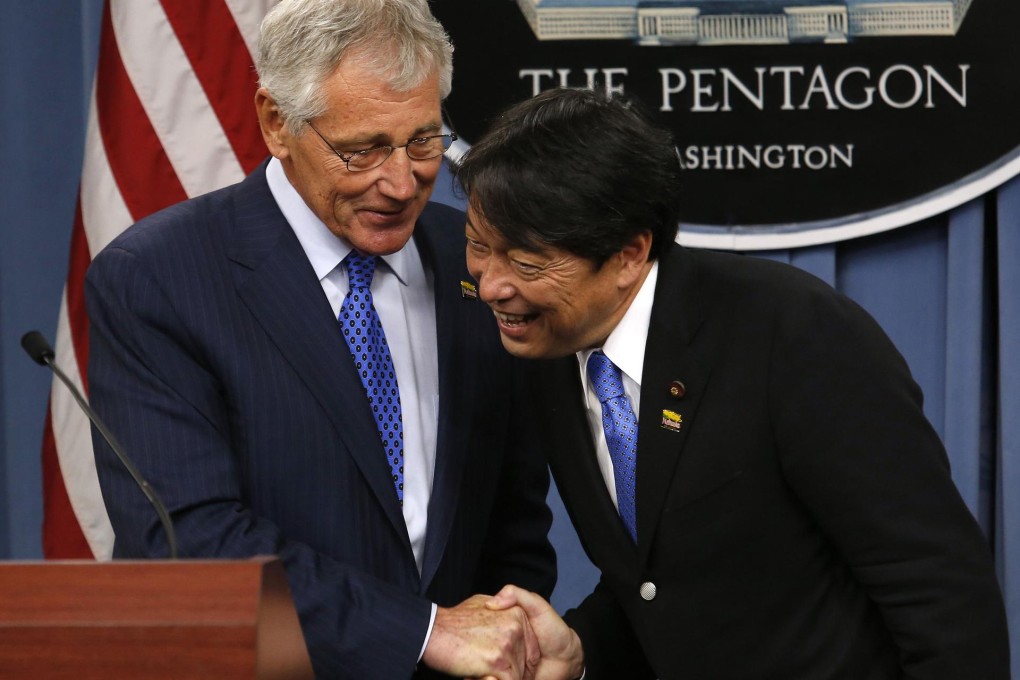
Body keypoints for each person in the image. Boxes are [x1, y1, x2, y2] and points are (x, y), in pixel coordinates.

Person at [454, 87, 1011, 679]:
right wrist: (582, 648)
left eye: (528, 264)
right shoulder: (549, 352)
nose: (491, 285)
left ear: (627, 254)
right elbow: (661, 578)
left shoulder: (791, 333)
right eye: (478, 248)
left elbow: (939, 591)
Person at [84, 1, 555, 678]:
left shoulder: (475, 264)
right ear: (278, 123)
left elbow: (512, 525)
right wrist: (422, 634)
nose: (401, 182)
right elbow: (189, 539)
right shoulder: (159, 280)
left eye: (423, 140)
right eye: (363, 149)